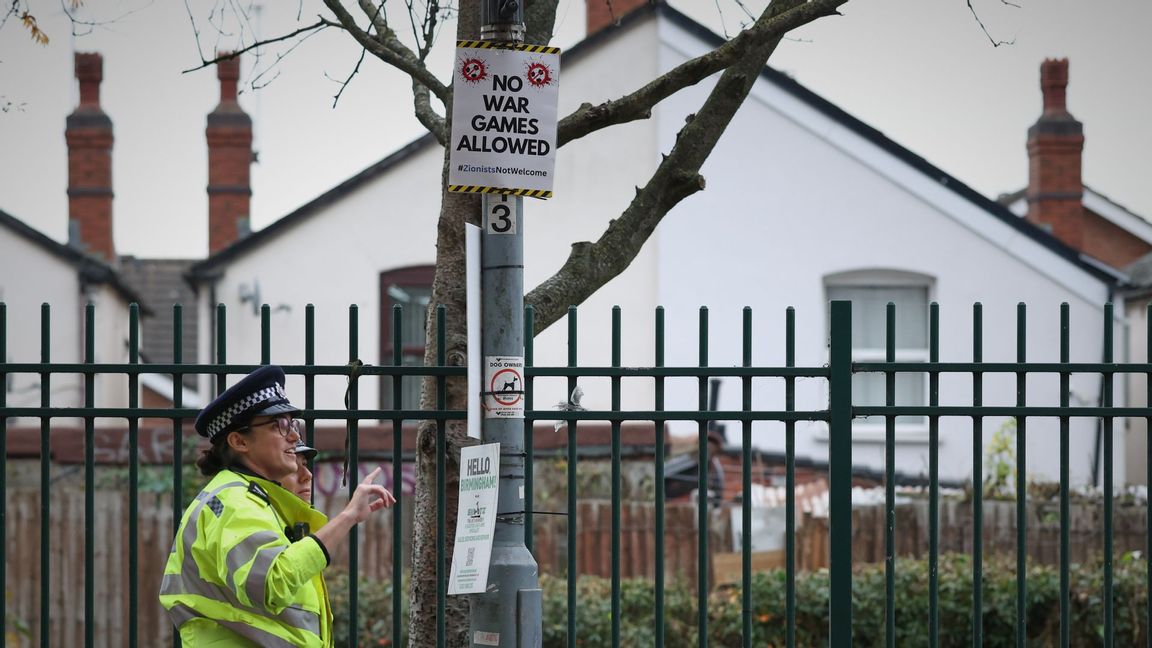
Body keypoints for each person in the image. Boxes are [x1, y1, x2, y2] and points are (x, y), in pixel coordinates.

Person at [159, 365, 395, 647]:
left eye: (292, 424)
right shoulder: (234, 502)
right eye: (278, 425)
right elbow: (273, 582)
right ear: (239, 441)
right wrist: (347, 517)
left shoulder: (252, 500)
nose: (294, 436)